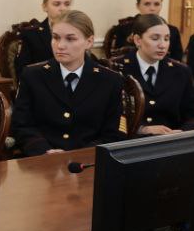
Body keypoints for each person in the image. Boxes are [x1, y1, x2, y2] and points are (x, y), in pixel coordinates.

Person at [10, 9, 125, 156]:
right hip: (43, 160)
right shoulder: (33, 75)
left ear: (89, 42)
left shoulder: (109, 80)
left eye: (70, 39)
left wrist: (79, 155)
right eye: (55, 38)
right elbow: (21, 125)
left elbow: (113, 133)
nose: (60, 45)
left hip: (88, 160)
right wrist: (44, 150)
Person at [112, 14, 194, 133]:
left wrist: (181, 132)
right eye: (155, 38)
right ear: (138, 40)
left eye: (166, 39)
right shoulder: (117, 69)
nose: (162, 45)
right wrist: (141, 130)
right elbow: (108, 117)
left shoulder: (180, 71)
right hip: (133, 140)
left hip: (172, 139)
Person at [13, 0, 73, 79]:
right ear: (45, 7)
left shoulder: (78, 32)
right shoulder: (30, 35)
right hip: (44, 83)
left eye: (67, 4)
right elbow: (22, 71)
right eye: (57, 4)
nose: (63, 8)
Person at [110, 0, 184, 61]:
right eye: (147, 4)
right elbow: (117, 57)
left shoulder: (172, 31)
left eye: (156, 4)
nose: (152, 8)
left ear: (161, 6)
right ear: (138, 6)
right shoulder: (124, 29)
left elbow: (177, 60)